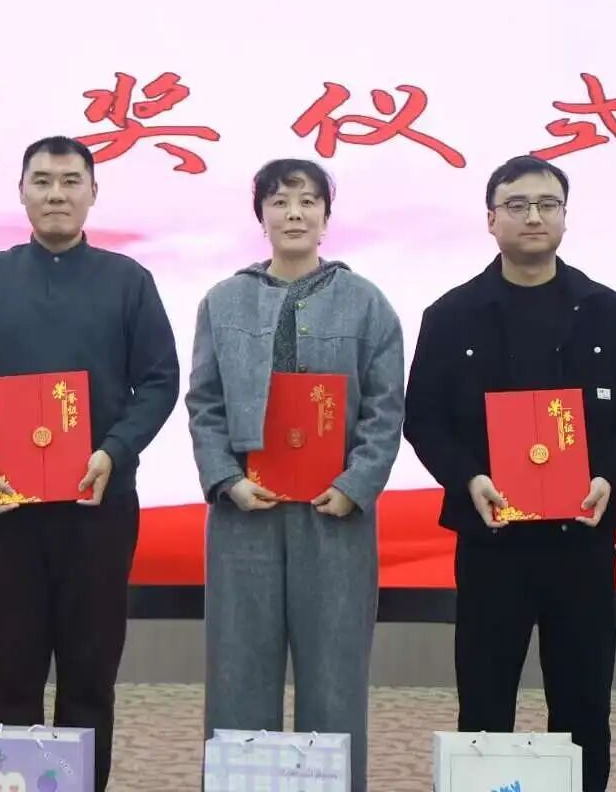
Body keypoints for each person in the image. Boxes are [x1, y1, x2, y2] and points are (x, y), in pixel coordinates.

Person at [403, 156, 616, 792]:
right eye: (516, 205)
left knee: (583, 703)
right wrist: (468, 478)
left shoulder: (606, 311)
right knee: (485, 701)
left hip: (582, 540)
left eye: (548, 204)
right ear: (491, 219)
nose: (533, 217)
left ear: (565, 218)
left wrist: (610, 479)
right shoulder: (452, 314)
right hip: (492, 541)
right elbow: (423, 419)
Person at [0, 135, 180, 791]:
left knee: (89, 673)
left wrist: (113, 451)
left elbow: (159, 381)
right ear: (21, 192)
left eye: (71, 181)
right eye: (41, 181)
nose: (56, 195)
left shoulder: (128, 280)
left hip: (97, 504)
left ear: (93, 192)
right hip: (5, 505)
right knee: (11, 670)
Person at [186, 159, 404, 791]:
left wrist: (356, 485)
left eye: (308, 201)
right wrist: (226, 479)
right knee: (238, 670)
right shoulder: (223, 300)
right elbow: (204, 402)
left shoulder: (367, 303)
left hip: (334, 517)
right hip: (244, 513)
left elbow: (386, 407)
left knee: (334, 676)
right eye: (280, 202)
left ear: (327, 216)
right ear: (260, 215)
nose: (294, 214)